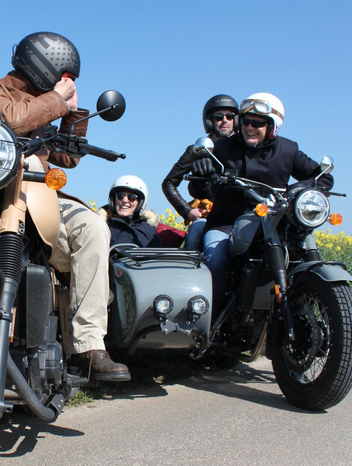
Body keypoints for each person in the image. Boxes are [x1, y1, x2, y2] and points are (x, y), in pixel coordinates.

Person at [0, 31, 130, 381]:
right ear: (45, 64)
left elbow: (66, 157)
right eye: (64, 76)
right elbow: (10, 119)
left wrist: (72, 117)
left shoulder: (46, 104)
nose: (65, 83)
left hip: (39, 198)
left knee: (93, 227)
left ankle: (87, 347)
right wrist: (57, 100)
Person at [188, 92, 334, 310]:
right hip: (227, 223)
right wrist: (201, 175)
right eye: (246, 122)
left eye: (257, 124)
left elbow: (322, 177)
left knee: (307, 248)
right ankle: (209, 319)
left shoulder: (288, 149)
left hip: (278, 221)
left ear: (273, 127)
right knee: (215, 258)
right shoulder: (223, 148)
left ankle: (316, 308)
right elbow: (200, 188)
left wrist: (297, 189)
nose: (249, 128)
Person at [162, 94, 238, 249]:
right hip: (209, 216)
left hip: (238, 215)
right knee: (196, 233)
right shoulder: (197, 150)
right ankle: (191, 272)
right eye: (218, 117)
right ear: (209, 121)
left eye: (229, 116)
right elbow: (169, 183)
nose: (225, 120)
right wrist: (188, 211)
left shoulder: (242, 149)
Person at [100, 175, 163, 248]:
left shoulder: (149, 230)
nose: (125, 200)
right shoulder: (102, 225)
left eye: (132, 197)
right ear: (113, 200)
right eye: (120, 196)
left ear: (140, 203)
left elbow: (160, 257)